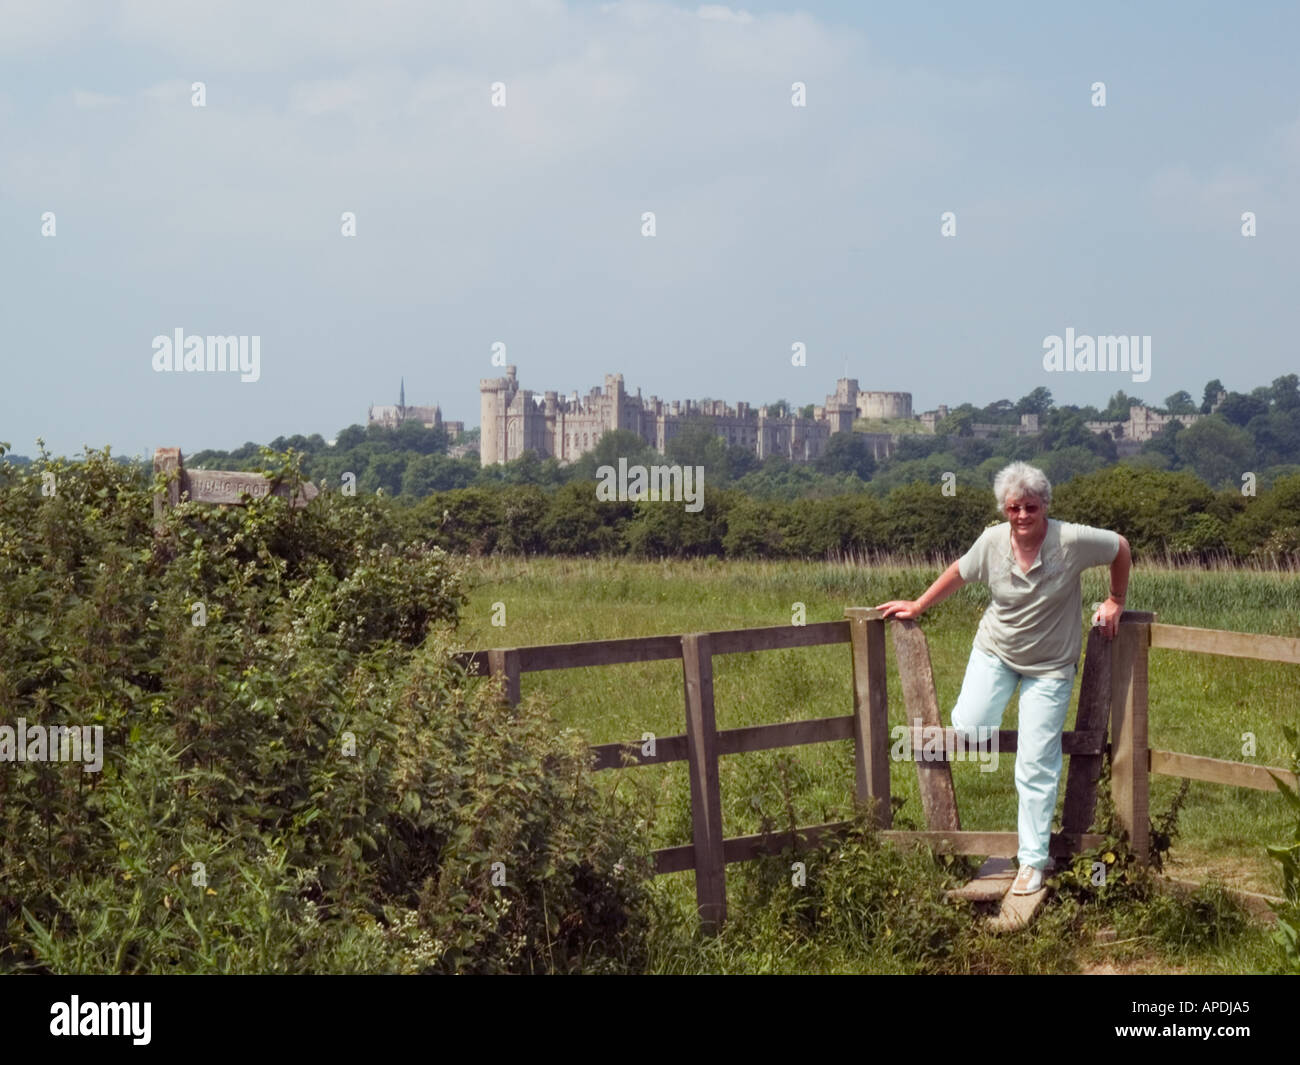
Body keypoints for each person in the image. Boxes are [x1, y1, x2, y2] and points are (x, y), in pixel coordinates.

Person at [875, 461, 1131, 895]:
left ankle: (1033, 861)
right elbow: (959, 570)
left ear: (1045, 505)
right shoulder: (992, 542)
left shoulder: (1071, 540)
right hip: (997, 651)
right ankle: (1024, 848)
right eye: (1014, 508)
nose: (1022, 516)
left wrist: (1115, 599)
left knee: (1035, 759)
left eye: (1031, 507)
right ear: (1004, 509)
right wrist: (918, 605)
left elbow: (1120, 547)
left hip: (1051, 667)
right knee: (971, 727)